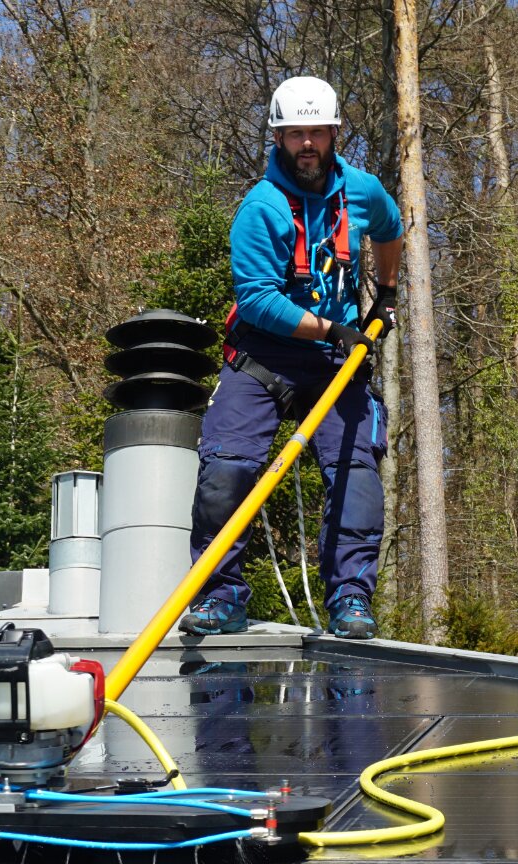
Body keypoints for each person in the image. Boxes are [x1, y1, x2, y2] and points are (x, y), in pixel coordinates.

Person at [179, 75, 403, 640]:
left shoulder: (361, 190)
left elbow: (391, 228)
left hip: (336, 357)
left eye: (317, 133)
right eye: (295, 133)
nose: (307, 144)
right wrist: (335, 328)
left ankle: (351, 600)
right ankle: (219, 595)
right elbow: (257, 302)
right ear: (278, 138)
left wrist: (389, 290)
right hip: (265, 355)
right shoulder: (261, 209)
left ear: (334, 134)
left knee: (355, 474)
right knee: (227, 469)